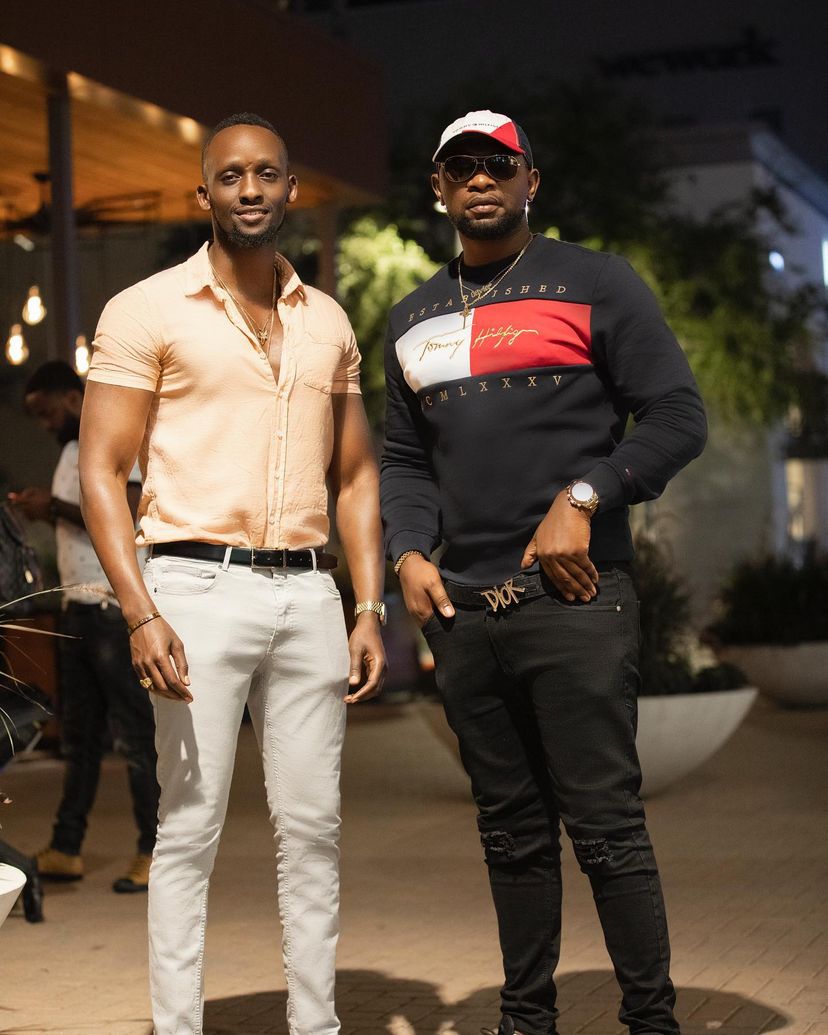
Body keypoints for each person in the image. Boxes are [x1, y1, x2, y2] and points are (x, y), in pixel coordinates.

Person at [381, 111, 707, 1035]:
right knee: (510, 833)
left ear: (533, 180)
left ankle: (651, 1022)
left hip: (575, 601)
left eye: (499, 163)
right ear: (439, 189)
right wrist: (408, 551)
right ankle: (527, 1019)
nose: (480, 179)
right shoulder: (410, 317)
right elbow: (405, 461)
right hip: (464, 615)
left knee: (605, 829)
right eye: (461, 167)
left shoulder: (598, 282)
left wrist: (587, 494)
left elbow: (677, 416)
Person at [78, 112, 386, 1035]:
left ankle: (316, 1024)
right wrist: (140, 611)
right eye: (230, 175)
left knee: (315, 829)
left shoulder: (327, 319)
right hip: (193, 590)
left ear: (291, 188)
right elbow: (101, 470)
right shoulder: (146, 309)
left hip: (308, 592)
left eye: (266, 173)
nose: (249, 189)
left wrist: (367, 604)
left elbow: (357, 475)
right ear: (203, 192)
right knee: (189, 827)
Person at [9, 360, 158, 894]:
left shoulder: (116, 436)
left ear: (74, 399)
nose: (45, 424)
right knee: (79, 739)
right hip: (77, 608)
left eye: (48, 412)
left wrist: (55, 506)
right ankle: (67, 847)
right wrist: (49, 510)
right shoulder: (70, 451)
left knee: (136, 737)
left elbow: (132, 511)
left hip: (114, 609)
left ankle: (155, 851)